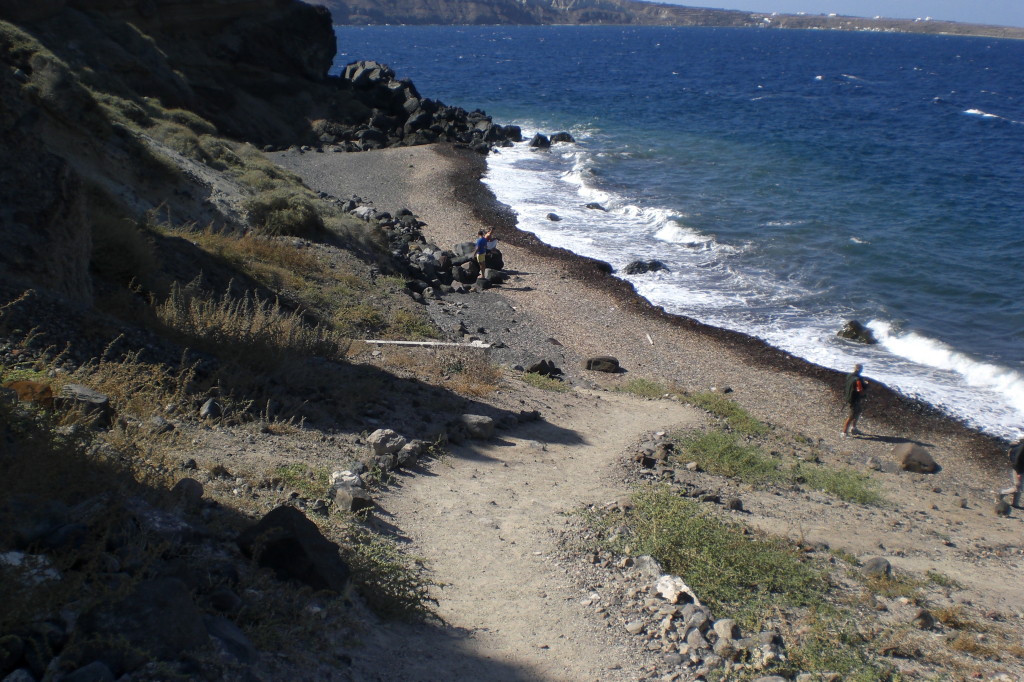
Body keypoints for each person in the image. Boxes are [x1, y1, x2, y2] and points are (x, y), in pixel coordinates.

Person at [841, 363, 867, 438]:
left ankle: (853, 428)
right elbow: (860, 390)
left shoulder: (849, 376)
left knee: (858, 412)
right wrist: (866, 387)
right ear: (860, 370)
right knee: (852, 415)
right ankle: (844, 432)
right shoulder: (858, 379)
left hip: (849, 397)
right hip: (854, 399)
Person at [1000, 438, 1024, 507]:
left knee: (1019, 487)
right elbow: (1017, 460)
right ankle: (1001, 493)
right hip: (1018, 469)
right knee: (1018, 487)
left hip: (1021, 468)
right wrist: (1019, 472)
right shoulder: (1022, 449)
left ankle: (1015, 504)